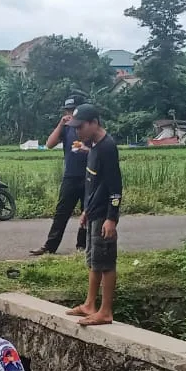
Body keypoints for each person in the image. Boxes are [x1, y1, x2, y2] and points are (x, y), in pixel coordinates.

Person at [64, 104, 122, 326]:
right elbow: (94, 183)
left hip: (104, 214)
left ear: (94, 123)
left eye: (80, 127)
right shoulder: (94, 146)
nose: (77, 131)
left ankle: (105, 311)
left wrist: (112, 218)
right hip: (94, 211)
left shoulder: (107, 147)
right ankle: (90, 304)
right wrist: (87, 210)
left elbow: (115, 187)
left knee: (105, 263)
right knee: (93, 260)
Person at [30, 97, 89, 256]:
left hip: (89, 175)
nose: (70, 113)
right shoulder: (66, 128)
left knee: (87, 212)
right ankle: (50, 246)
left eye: (73, 110)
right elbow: (49, 144)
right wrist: (60, 124)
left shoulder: (89, 127)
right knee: (61, 213)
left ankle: (82, 246)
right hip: (70, 176)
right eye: (67, 110)